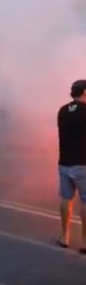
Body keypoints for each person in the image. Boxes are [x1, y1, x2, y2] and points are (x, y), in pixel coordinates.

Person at [57, 79, 86, 254]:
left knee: (66, 199)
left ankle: (64, 237)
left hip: (64, 162)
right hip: (83, 163)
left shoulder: (63, 110)